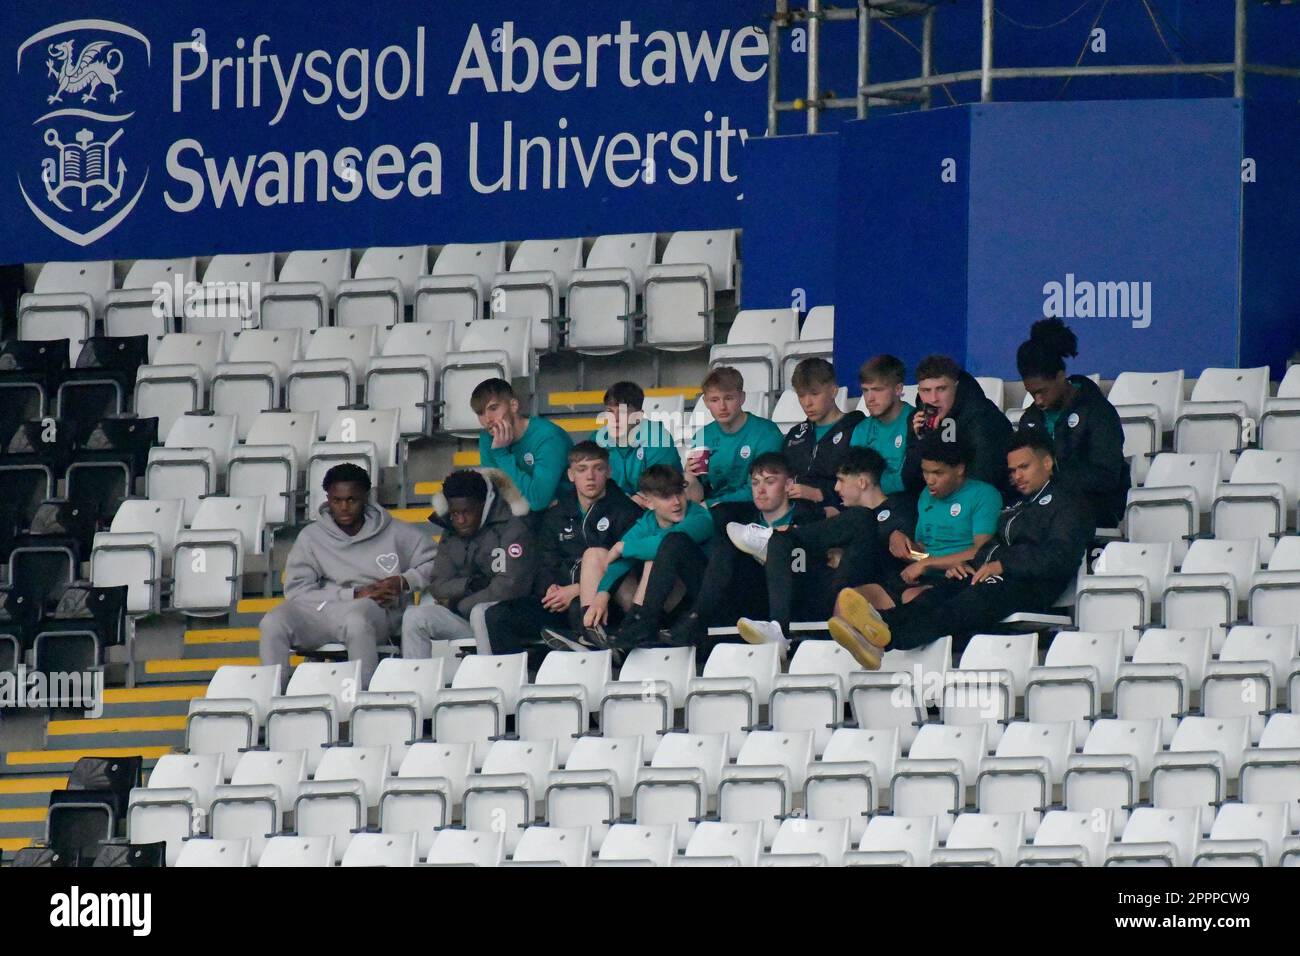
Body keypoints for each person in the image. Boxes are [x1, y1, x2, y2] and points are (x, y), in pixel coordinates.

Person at [828, 432, 1092, 669]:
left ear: (1047, 463)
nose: (1016, 476)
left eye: (1024, 467)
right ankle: (876, 625)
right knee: (942, 590)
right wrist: (972, 564)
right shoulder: (1018, 505)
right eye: (1012, 470)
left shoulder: (1068, 502)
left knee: (959, 606)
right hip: (995, 573)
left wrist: (1003, 565)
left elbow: (1060, 556)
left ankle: (886, 637)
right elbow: (991, 546)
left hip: (1032, 584)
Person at [259, 463, 437, 688]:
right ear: (328, 499)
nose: (343, 507)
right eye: (337, 500)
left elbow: (434, 563)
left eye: (351, 500)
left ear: (366, 496)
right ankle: (273, 698)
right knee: (272, 622)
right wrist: (353, 593)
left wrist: (403, 581)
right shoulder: (312, 536)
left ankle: (364, 698)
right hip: (324, 610)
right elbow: (297, 591)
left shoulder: (396, 532)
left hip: (376, 610)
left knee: (357, 619)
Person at [727, 447, 916, 656]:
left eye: (841, 480)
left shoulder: (899, 508)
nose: (836, 488)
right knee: (782, 544)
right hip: (830, 590)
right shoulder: (843, 517)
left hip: (874, 590)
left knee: (861, 518)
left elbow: (908, 555)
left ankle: (782, 537)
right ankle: (778, 629)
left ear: (861, 482)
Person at [485, 441, 641, 663]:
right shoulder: (556, 513)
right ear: (570, 475)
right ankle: (521, 682)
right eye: (582, 469)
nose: (590, 476)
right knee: (497, 615)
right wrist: (554, 590)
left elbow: (629, 569)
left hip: (606, 604)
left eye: (597, 468)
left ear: (608, 472)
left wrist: (577, 590)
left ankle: (598, 658)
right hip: (560, 600)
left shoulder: (626, 511)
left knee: (579, 606)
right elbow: (546, 562)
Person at [665, 452, 823, 649]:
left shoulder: (810, 517)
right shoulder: (737, 516)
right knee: (678, 541)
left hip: (795, 603)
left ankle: (697, 618)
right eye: (755, 483)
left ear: (789, 484)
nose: (761, 490)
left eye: (769, 481)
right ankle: (682, 618)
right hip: (745, 603)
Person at [400, 469, 534, 659]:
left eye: (467, 512)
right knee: (414, 616)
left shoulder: (513, 527)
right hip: (465, 615)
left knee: (482, 612)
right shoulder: (450, 530)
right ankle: (415, 683)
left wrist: (463, 602)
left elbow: (510, 586)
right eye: (454, 513)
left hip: (506, 618)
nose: (460, 520)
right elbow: (438, 585)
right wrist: (468, 584)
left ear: (484, 505)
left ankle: (488, 680)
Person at [864, 433, 1003, 609]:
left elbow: (982, 552)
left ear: (960, 469)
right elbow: (923, 550)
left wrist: (927, 563)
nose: (929, 480)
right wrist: (902, 544)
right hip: (922, 575)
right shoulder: (926, 495)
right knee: (857, 596)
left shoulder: (984, 495)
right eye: (925, 472)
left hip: (957, 578)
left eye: (938, 473)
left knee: (910, 600)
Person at [585, 465, 715, 650]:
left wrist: (625, 547)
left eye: (679, 493)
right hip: (662, 604)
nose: (677, 502)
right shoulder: (647, 521)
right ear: (649, 502)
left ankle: (637, 626)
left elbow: (668, 545)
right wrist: (602, 593)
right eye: (666, 497)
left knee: (657, 554)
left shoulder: (700, 518)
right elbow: (619, 561)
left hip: (699, 603)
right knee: (599, 556)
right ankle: (597, 629)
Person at [1016, 318, 1129, 527]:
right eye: (1032, 394)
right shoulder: (1030, 419)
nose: (1038, 400)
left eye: (1042, 392)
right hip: (1042, 509)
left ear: (1060, 377)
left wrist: (1051, 475)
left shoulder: (1097, 412)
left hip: (1094, 510)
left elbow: (1106, 477)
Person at [901, 354, 1012, 497]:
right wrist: (922, 441)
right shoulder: (918, 419)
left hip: (984, 499)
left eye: (941, 389)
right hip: (938, 500)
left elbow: (984, 477)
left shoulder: (982, 415)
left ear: (956, 387)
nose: (933, 399)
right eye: (926, 391)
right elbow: (910, 483)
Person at [685, 366, 783, 511]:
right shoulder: (702, 436)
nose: (722, 406)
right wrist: (689, 478)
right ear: (705, 402)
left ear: (742, 397)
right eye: (714, 400)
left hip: (754, 509)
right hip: (712, 509)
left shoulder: (766, 433)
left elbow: (763, 489)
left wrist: (712, 504)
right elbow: (697, 495)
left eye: (729, 398)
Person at [473, 378, 574, 516]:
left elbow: (538, 501)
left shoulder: (548, 437)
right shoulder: (487, 437)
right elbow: (494, 492)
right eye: (480, 413)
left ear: (513, 405)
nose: (487, 419)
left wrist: (501, 455)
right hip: (518, 516)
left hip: (563, 515)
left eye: (493, 408)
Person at [779, 357, 865, 511]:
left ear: (833, 391)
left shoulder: (856, 429)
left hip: (836, 512)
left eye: (814, 394)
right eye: (801, 395)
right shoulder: (795, 434)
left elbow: (861, 485)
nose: (807, 403)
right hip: (792, 509)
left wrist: (819, 493)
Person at [592, 380, 682, 500]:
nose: (615, 419)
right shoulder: (597, 440)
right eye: (610, 411)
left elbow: (663, 486)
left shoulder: (658, 438)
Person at [850, 354, 915, 495]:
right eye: (865, 390)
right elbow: (852, 478)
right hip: (865, 506)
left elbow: (907, 480)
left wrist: (868, 486)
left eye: (877, 390)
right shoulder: (861, 429)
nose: (870, 398)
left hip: (904, 504)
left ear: (898, 389)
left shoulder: (915, 423)